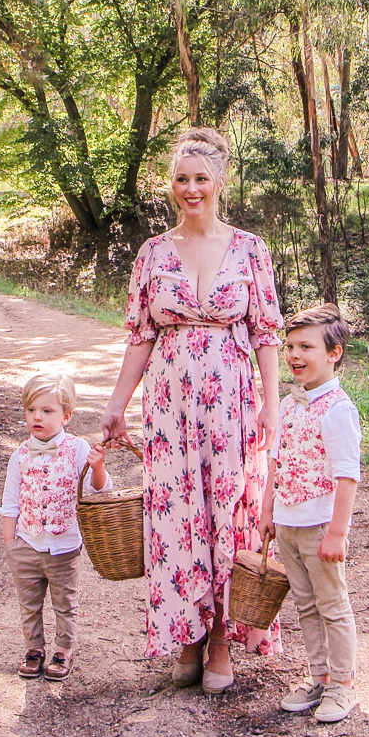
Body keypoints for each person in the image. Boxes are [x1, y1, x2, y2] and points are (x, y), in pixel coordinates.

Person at [100, 127, 283, 695]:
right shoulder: (153, 253)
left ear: (220, 182)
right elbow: (140, 335)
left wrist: (272, 407)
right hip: (171, 406)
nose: (191, 188)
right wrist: (115, 405)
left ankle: (223, 640)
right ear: (171, 184)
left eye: (201, 178)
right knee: (177, 514)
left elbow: (267, 333)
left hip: (231, 399)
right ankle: (187, 636)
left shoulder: (251, 248)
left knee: (228, 512)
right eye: (182, 178)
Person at [260, 304, 361, 723]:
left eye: (306, 347)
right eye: (290, 347)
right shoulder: (288, 404)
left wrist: (337, 533)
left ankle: (343, 685)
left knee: (331, 604)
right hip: (287, 522)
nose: (295, 355)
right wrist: (267, 509)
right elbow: (276, 461)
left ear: (333, 353)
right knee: (305, 604)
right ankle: (318, 676)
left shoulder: (338, 409)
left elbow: (346, 476)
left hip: (320, 525)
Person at [0, 372, 109, 682]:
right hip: (26, 544)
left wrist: (97, 466)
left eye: (47, 411)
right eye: (32, 410)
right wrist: (10, 541)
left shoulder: (76, 450)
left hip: (63, 545)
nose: (37, 417)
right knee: (29, 603)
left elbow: (99, 489)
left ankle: (64, 649)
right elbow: (11, 499)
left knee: (65, 602)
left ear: (66, 416)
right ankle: (33, 649)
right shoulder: (19, 455)